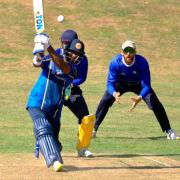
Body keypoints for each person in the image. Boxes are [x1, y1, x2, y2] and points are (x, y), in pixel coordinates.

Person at [92, 40, 180, 140]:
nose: (128, 53)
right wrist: (114, 93)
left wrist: (140, 97)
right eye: (126, 51)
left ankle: (169, 131)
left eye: (131, 50)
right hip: (121, 84)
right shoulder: (115, 63)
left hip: (139, 84)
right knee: (105, 100)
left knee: (155, 103)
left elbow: (147, 85)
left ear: (135, 52)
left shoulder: (142, 62)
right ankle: (93, 129)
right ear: (121, 52)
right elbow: (110, 84)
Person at [26, 33, 86, 172]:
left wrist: (48, 47)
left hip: (54, 109)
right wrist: (39, 53)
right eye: (74, 53)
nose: (76, 57)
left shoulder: (73, 70)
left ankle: (53, 150)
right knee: (42, 126)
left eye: (79, 55)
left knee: (55, 140)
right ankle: (54, 161)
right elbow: (37, 63)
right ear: (66, 50)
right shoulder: (53, 58)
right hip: (37, 101)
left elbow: (62, 66)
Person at [34, 30, 94, 158]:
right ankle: (53, 146)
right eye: (64, 42)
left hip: (72, 90)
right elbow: (39, 63)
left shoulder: (82, 59)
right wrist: (38, 53)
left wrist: (72, 83)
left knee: (86, 117)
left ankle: (82, 148)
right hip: (55, 90)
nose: (65, 45)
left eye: (68, 43)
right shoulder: (56, 53)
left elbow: (82, 77)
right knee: (53, 120)